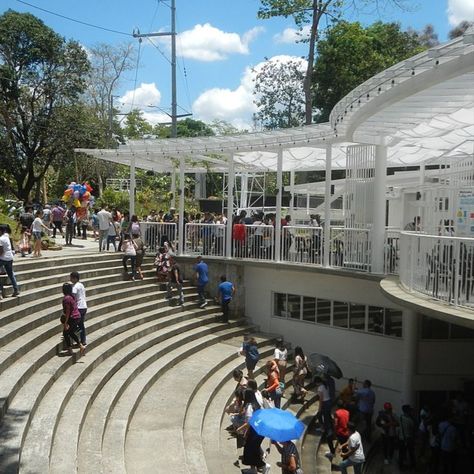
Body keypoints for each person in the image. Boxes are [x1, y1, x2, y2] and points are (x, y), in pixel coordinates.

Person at [239, 389, 270, 474]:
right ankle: (253, 469)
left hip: (255, 432)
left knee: (250, 450)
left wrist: (241, 430)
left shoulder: (249, 406)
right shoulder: (257, 404)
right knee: (254, 450)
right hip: (260, 431)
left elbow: (250, 422)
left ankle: (264, 465)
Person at [61, 283, 86, 356]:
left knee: (66, 333)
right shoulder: (71, 296)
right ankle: (80, 346)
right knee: (70, 332)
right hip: (77, 316)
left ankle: (70, 350)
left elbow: (68, 311)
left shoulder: (66, 298)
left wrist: (65, 323)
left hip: (73, 318)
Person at [0, 225, 20, 298]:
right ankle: (16, 289)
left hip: (3, 258)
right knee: (11, 274)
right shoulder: (6, 237)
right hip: (10, 258)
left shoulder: (1, 239)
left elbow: (1, 251)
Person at [70, 271, 87, 346]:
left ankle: (78, 340)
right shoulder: (81, 285)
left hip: (79, 307)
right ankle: (83, 340)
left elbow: (73, 297)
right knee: (81, 324)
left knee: (75, 324)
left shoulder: (75, 286)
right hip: (84, 306)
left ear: (75, 278)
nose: (70, 279)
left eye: (71, 278)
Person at [398, 404, 416, 470]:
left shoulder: (400, 417)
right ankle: (413, 465)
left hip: (401, 438)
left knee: (401, 453)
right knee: (411, 453)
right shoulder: (410, 420)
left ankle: (401, 466)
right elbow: (413, 429)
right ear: (408, 411)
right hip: (409, 439)